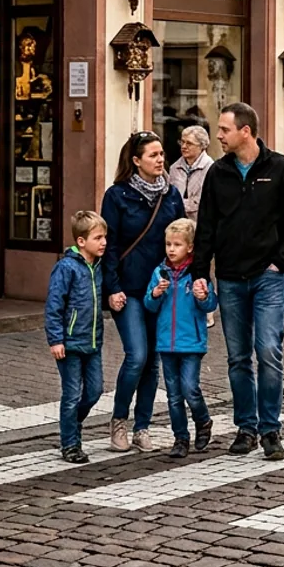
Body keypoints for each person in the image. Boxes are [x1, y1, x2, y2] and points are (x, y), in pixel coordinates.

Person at [191, 102, 284, 461]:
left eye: (224, 130)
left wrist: (280, 262)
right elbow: (207, 226)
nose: (219, 136)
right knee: (238, 356)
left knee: (268, 351)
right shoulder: (218, 173)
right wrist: (200, 273)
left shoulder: (280, 169)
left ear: (245, 131)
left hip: (267, 278)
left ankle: (271, 429)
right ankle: (246, 427)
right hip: (229, 278)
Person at [99, 131, 186, 453]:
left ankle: (142, 426)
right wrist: (112, 288)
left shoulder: (171, 195)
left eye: (162, 153)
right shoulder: (117, 196)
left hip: (161, 290)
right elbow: (109, 246)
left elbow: (182, 240)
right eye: (153, 155)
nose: (161, 159)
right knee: (137, 355)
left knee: (153, 362)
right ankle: (119, 420)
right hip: (129, 289)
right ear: (136, 161)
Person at [143, 218, 216, 459]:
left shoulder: (197, 273)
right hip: (166, 343)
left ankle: (203, 420)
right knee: (173, 395)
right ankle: (180, 437)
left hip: (191, 342)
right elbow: (149, 305)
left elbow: (210, 304)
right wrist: (155, 294)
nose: (171, 249)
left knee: (190, 388)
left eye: (177, 245)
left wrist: (203, 296)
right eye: (168, 244)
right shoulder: (159, 272)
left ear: (190, 247)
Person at [45, 210, 107, 463]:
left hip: (92, 342)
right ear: (81, 242)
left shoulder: (99, 267)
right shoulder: (66, 268)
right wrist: (56, 339)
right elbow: (54, 305)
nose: (104, 242)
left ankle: (72, 424)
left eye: (105, 237)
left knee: (95, 390)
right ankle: (70, 443)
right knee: (71, 394)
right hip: (69, 344)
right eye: (98, 238)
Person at [167, 125, 213, 221]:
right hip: (177, 224)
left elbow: (207, 203)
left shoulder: (211, 168)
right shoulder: (174, 168)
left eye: (189, 143)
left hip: (201, 224)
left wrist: (179, 203)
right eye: (182, 142)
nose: (183, 146)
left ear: (201, 146)